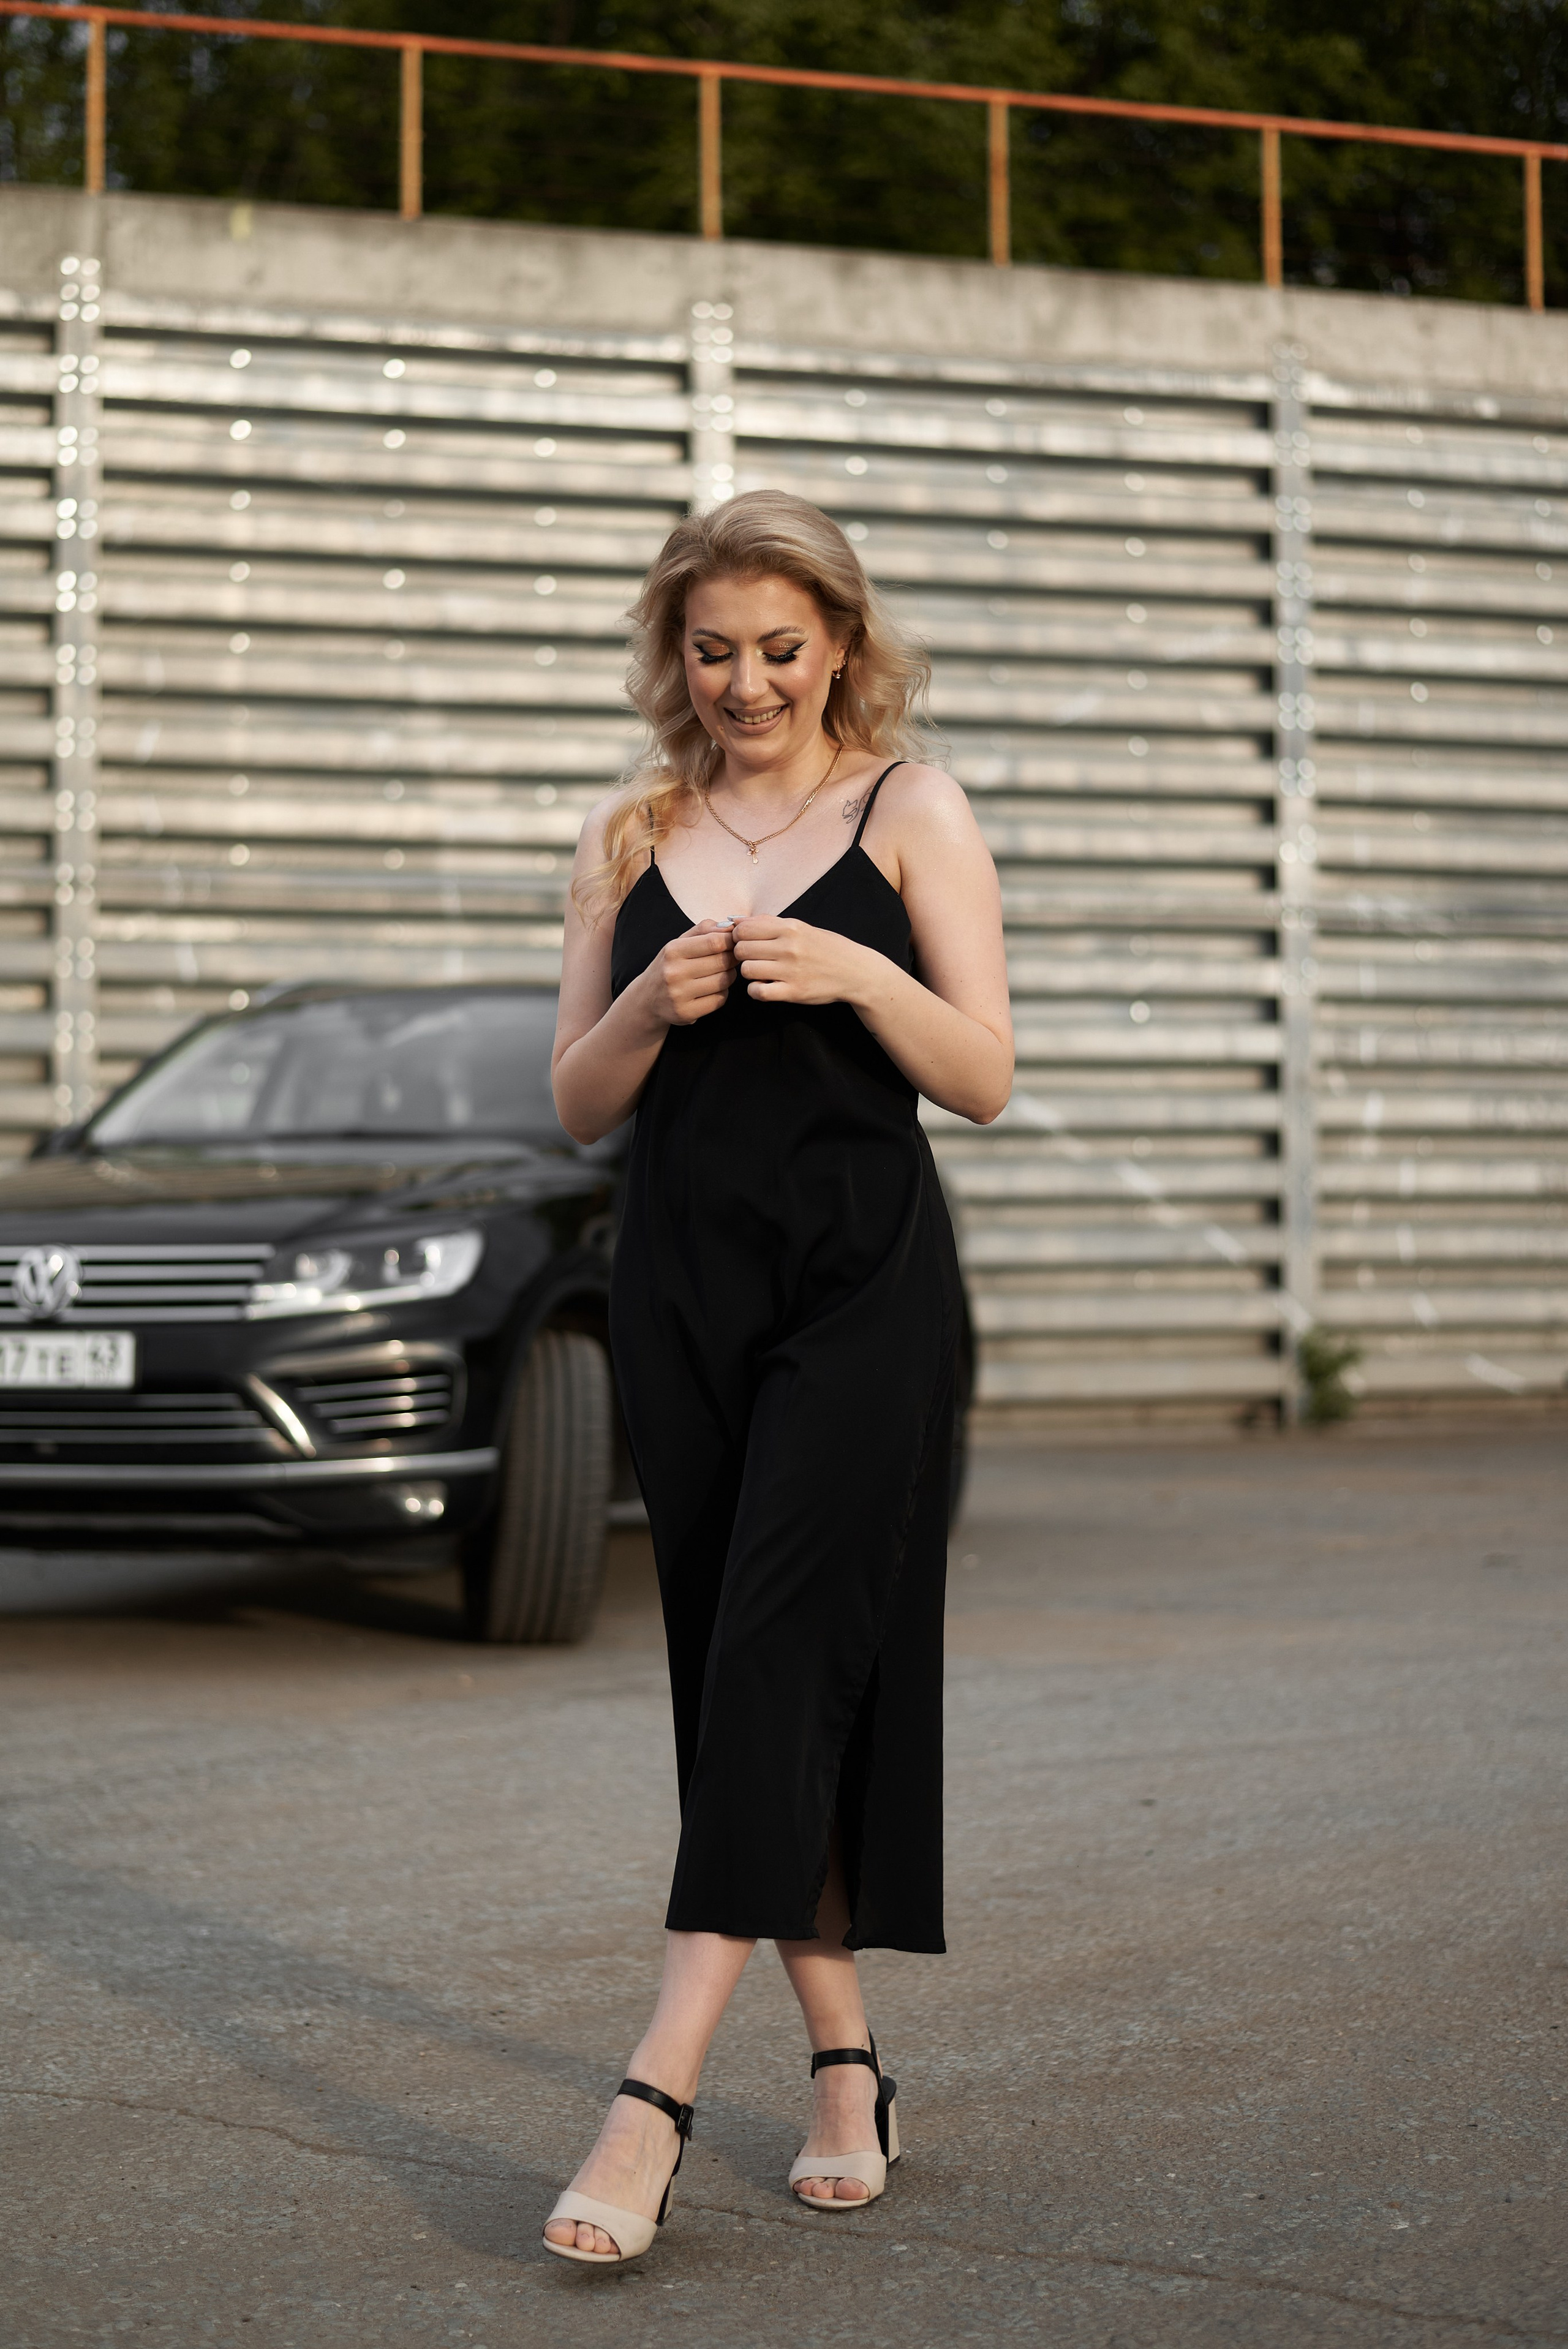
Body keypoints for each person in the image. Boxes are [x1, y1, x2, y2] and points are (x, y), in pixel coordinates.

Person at [545, 488, 1012, 2264]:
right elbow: (577, 1101)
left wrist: (851, 978)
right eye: (714, 647)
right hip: (679, 1294)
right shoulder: (626, 832)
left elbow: (985, 1070)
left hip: (863, 1297)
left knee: (783, 1651)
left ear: (843, 646)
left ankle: (649, 2091)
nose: (746, 681)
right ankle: (843, 2063)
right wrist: (645, 1012)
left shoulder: (911, 810)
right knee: (746, 1670)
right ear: (676, 650)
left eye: (781, 649)